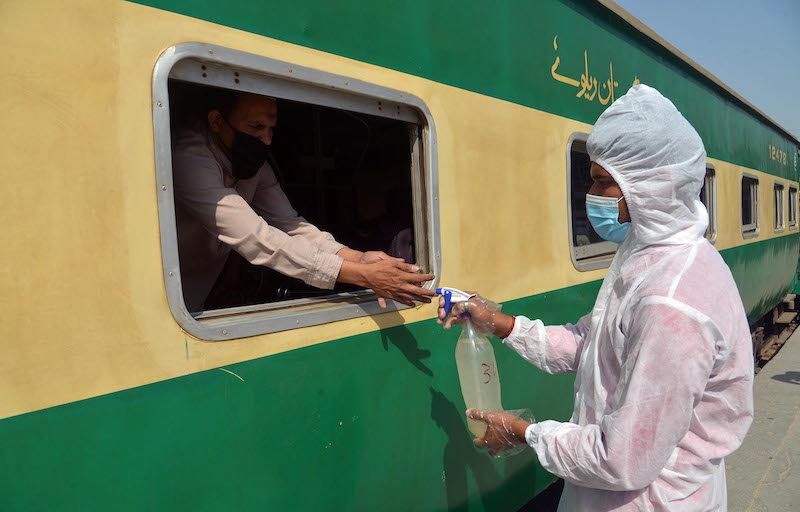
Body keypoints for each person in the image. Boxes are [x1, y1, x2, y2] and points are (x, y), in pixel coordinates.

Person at [438, 85, 754, 511]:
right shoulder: (651, 254)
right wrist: (501, 324)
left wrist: (525, 432)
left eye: (604, 182)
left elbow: (623, 459)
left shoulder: (671, 303)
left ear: (651, 187)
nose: (593, 196)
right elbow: (592, 343)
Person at [171, 90, 434, 312]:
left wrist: (357, 257)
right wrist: (361, 275)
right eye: (256, 127)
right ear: (217, 121)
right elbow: (258, 238)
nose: (267, 140)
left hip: (200, 295)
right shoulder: (189, 159)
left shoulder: (256, 167)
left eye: (271, 129)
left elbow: (291, 225)